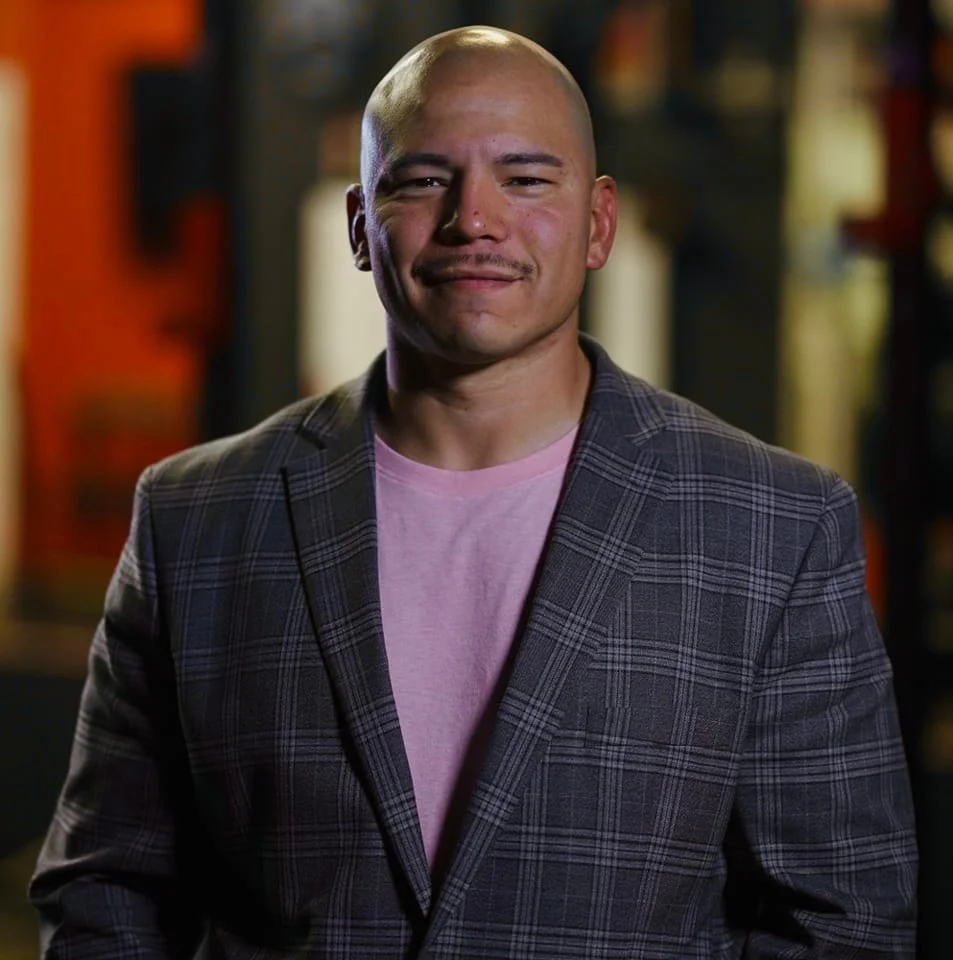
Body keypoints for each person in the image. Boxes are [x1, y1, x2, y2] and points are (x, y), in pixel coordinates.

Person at [30, 25, 917, 959]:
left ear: (600, 224)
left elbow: (839, 922)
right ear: (359, 227)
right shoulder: (195, 520)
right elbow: (107, 887)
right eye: (421, 180)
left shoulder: (773, 527)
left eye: (525, 179)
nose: (474, 219)